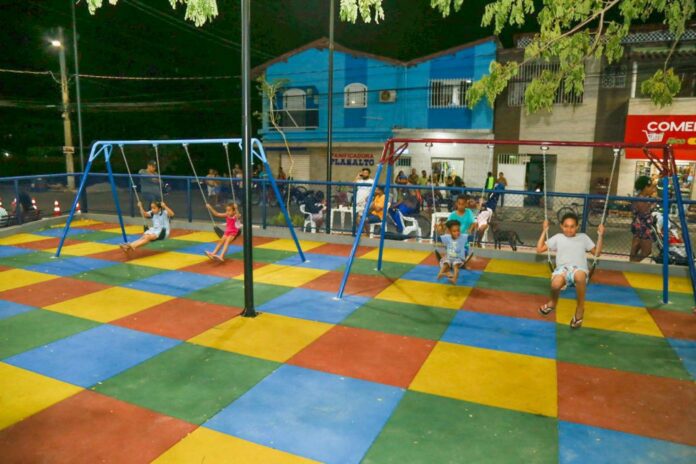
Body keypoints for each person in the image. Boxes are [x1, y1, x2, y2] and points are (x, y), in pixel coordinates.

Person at [536, 212, 605, 329]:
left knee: (579, 276)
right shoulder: (558, 237)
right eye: (566, 226)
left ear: (577, 227)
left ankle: (580, 308)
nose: (569, 229)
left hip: (579, 269)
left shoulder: (583, 237)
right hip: (562, 270)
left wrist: (601, 235)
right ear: (562, 226)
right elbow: (539, 249)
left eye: (572, 226)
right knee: (555, 284)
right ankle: (553, 303)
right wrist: (544, 231)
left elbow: (597, 253)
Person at [629, 175, 657, 262]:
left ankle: (631, 265)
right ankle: (633, 264)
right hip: (643, 227)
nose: (653, 190)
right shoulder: (641, 199)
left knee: (635, 248)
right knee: (647, 251)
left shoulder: (642, 197)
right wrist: (654, 202)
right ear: (645, 187)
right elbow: (644, 212)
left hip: (639, 226)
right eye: (651, 187)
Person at [436, 220, 469, 284]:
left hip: (458, 258)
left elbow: (471, 237)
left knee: (456, 266)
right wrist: (439, 229)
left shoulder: (463, 237)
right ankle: (441, 274)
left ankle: (454, 279)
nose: (457, 233)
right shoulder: (447, 237)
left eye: (458, 230)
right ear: (449, 232)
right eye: (454, 231)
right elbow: (438, 238)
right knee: (445, 264)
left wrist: (473, 230)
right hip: (449, 257)